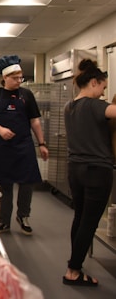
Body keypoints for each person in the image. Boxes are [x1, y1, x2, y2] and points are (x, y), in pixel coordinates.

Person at [0, 55, 49, 235]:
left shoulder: (26, 95)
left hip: (24, 145)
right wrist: (0, 129)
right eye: (15, 78)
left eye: (20, 78)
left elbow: (35, 121)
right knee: (5, 184)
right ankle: (4, 221)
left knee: (27, 183)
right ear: (5, 78)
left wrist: (42, 143)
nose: (19, 81)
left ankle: (23, 216)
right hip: (2, 146)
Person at [61, 59, 115, 287]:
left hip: (75, 169)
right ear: (94, 82)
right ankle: (73, 271)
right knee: (89, 222)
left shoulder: (69, 106)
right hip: (96, 171)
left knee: (80, 218)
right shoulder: (96, 106)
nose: (103, 93)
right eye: (103, 87)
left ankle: (76, 264)